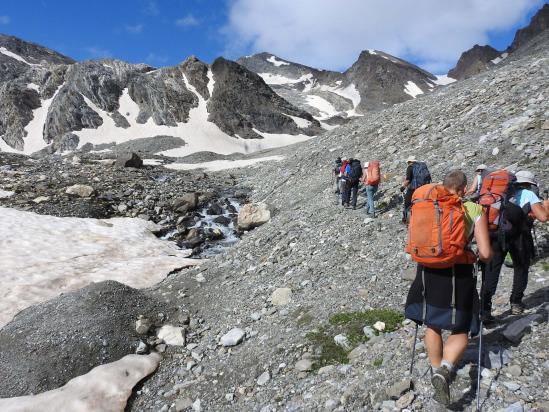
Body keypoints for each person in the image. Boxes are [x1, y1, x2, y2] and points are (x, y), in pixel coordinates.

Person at [405, 170, 492, 406]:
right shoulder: (473, 209)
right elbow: (485, 253)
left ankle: (435, 370)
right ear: (464, 189)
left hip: (428, 271)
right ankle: (445, 369)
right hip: (458, 274)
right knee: (461, 327)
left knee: (432, 322)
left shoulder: (428, 204)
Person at [481, 170, 548, 320]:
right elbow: (543, 217)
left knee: (491, 269)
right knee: (521, 267)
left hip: (496, 233)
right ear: (530, 184)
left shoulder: (498, 194)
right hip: (519, 236)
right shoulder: (529, 194)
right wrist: (546, 203)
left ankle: (485, 310)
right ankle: (516, 303)